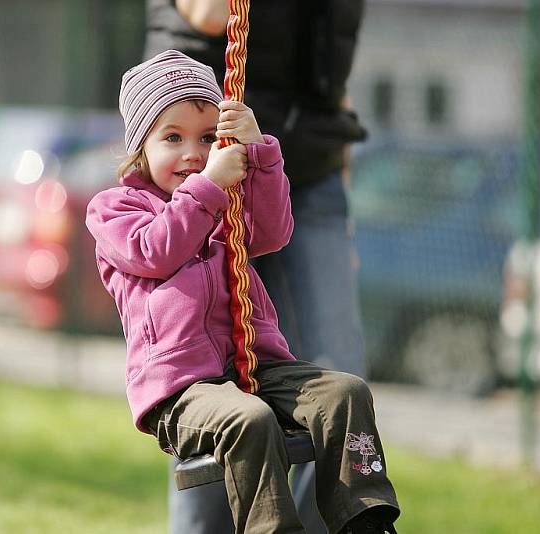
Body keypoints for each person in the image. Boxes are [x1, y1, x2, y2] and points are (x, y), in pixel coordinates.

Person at [86, 49, 398, 534]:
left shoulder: (221, 201)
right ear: (139, 148)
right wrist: (208, 188)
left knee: (345, 392)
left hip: (259, 366)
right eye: (173, 137)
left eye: (208, 138)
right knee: (250, 421)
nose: (193, 153)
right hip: (181, 388)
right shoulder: (116, 209)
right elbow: (154, 250)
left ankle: (366, 520)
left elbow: (273, 232)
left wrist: (261, 153)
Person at [144, 2, 369, 532]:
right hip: (199, 161)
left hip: (305, 167)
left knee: (341, 373)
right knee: (209, 368)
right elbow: (206, 12)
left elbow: (329, 75)